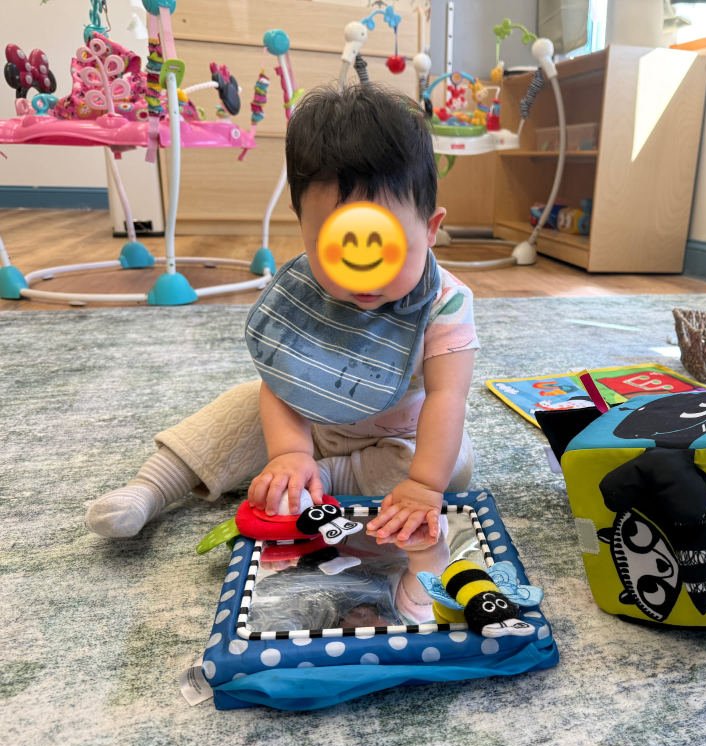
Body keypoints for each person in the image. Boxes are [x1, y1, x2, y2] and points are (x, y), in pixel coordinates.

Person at [86, 83, 477, 549]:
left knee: (451, 464)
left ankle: (318, 480)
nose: (364, 276)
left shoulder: (444, 303)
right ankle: (152, 486)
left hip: (397, 439)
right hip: (308, 423)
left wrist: (424, 486)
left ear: (430, 229)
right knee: (243, 403)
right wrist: (289, 450)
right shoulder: (300, 290)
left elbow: (446, 397)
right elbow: (282, 380)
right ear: (302, 222)